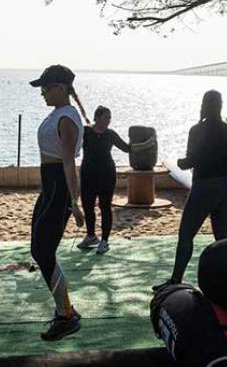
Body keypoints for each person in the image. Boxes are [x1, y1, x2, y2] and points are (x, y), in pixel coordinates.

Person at [153, 90, 227, 291]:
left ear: (204, 105)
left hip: (205, 185)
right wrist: (223, 159)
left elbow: (190, 162)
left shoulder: (197, 130)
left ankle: (176, 280)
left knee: (186, 234)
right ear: (221, 106)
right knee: (221, 234)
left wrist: (177, 162)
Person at [29, 64, 87, 341]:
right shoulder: (57, 114)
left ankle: (66, 315)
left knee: (43, 250)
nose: (42, 92)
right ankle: (65, 309)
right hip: (49, 186)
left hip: (58, 188)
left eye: (47, 87)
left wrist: (74, 202)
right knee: (39, 249)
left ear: (62, 88)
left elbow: (68, 162)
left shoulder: (66, 118)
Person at [77, 106, 154, 254]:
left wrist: (146, 144)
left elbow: (127, 148)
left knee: (105, 207)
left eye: (110, 118)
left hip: (106, 174)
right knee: (87, 206)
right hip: (88, 174)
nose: (109, 120)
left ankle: (104, 241)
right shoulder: (85, 132)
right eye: (106, 117)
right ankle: (91, 236)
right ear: (97, 117)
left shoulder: (110, 134)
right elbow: (73, 143)